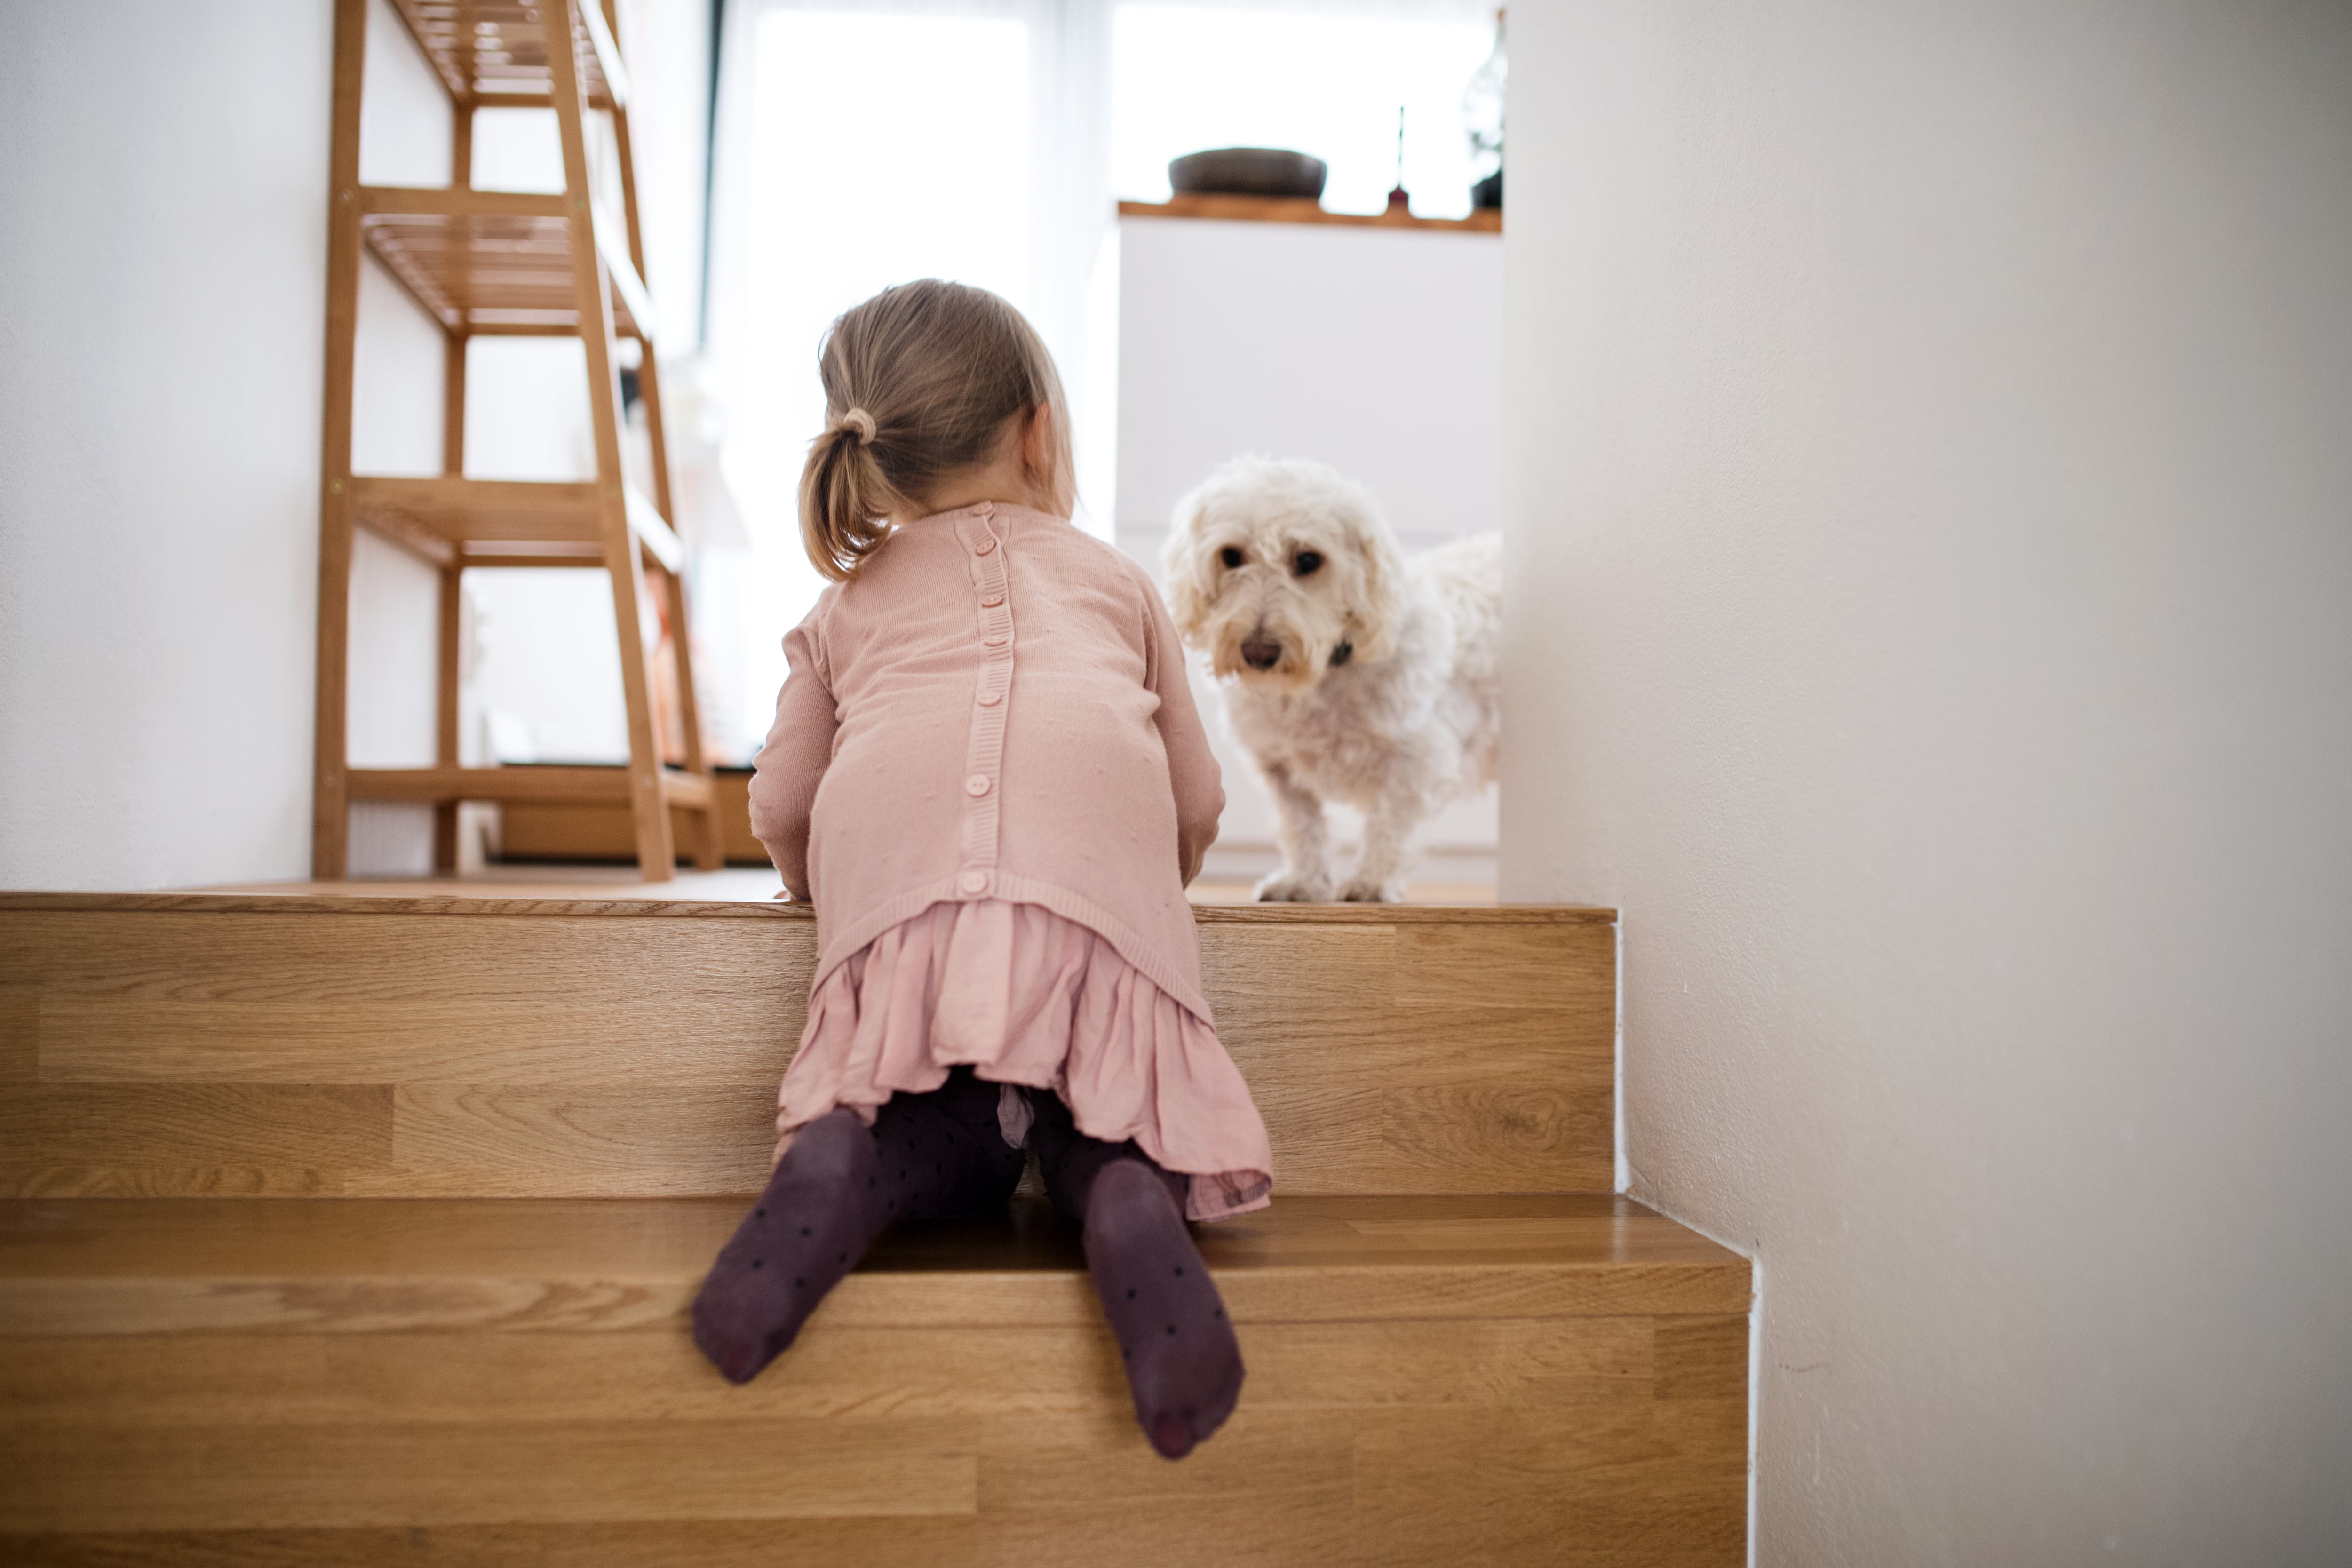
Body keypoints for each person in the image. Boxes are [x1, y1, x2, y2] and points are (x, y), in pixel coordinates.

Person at [692, 279, 1274, 1460]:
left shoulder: (841, 604)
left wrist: (818, 894)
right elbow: (1198, 798)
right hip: (1094, 933)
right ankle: (1125, 1195)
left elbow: (786, 798)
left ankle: (840, 1169)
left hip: (904, 934)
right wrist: (1140, 891)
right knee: (1101, 1123)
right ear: (1036, 431)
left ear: (871, 454)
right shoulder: (1118, 584)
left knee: (933, 1127)